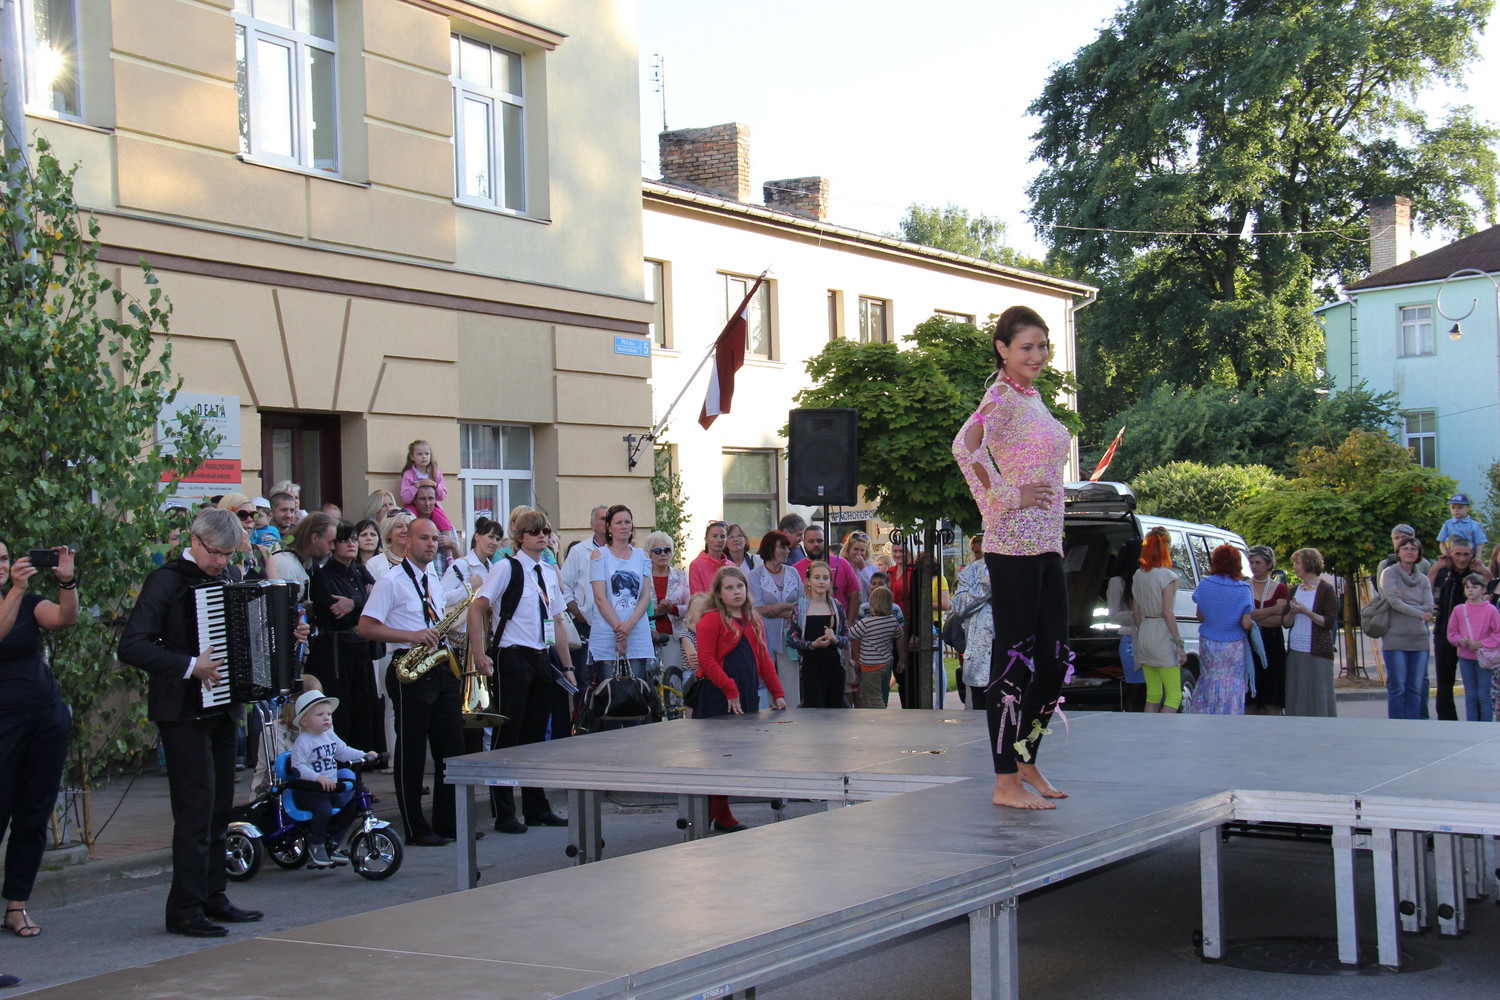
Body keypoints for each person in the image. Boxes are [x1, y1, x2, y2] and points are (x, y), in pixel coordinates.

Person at [117, 509, 273, 936]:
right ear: (195, 541)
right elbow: (132, 645)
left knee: (219, 807)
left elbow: (245, 639)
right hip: (181, 710)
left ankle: (212, 895)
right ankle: (184, 909)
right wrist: (190, 666)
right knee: (194, 812)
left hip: (222, 707)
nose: (222, 561)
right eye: (215, 553)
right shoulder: (167, 580)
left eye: (228, 554)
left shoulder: (229, 577)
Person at [951, 306, 1073, 810]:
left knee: (1055, 659)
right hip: (1012, 544)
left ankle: (1025, 757)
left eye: (1043, 346)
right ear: (1002, 349)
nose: (1037, 355)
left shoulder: (1033, 398)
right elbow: (965, 448)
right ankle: (1004, 781)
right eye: (1027, 347)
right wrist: (1007, 496)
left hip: (1046, 544)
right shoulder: (1000, 396)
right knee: (1015, 659)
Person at [468, 509, 577, 834]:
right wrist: (479, 653)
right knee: (507, 735)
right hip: (511, 656)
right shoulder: (506, 567)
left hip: (541, 657)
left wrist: (567, 666)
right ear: (520, 537)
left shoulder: (548, 572)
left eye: (545, 531)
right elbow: (477, 608)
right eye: (534, 531)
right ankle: (504, 812)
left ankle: (536, 807)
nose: (541, 536)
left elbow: (557, 621)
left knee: (535, 737)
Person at [357, 518, 462, 846]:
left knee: (450, 749)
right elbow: (366, 627)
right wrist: (412, 635)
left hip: (439, 665)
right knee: (412, 751)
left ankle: (447, 823)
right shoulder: (391, 581)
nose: (431, 544)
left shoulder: (432, 578)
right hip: (408, 665)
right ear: (407, 541)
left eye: (435, 539)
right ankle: (416, 829)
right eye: (424, 538)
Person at [0, 542, 78, 940]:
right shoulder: (16, 597)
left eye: (3, 558)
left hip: (45, 718)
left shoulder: (28, 603)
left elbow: (65, 618)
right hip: (4, 724)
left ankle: (17, 905)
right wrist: (15, 589)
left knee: (33, 816)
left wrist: (67, 583)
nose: (1, 566)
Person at [693, 567, 787, 832]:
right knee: (717, 756)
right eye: (729, 587)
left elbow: (764, 658)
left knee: (735, 756)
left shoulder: (753, 618)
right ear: (719, 593)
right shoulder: (711, 619)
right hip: (717, 695)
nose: (736, 592)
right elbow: (706, 660)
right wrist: (729, 688)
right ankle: (716, 811)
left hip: (746, 694)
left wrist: (777, 692)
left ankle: (718, 810)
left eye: (740, 586)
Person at [308, 520, 382, 753]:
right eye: (344, 540)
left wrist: (355, 602)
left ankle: (364, 755)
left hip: (361, 647)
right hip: (336, 651)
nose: (351, 544)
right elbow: (338, 613)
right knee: (342, 706)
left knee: (364, 705)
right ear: (333, 545)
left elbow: (380, 600)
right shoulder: (323, 576)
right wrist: (364, 602)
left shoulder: (359, 570)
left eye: (353, 539)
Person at [287, 690, 378, 868]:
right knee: (323, 810)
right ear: (304, 721)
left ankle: (333, 844)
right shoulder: (304, 741)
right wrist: (318, 778)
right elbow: (298, 767)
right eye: (320, 715)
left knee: (349, 808)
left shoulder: (329, 735)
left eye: (328, 714)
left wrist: (364, 755)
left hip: (329, 788)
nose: (326, 718)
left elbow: (343, 751)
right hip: (309, 790)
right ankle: (316, 844)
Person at [585, 505, 654, 686]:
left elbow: (645, 596)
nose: (624, 526)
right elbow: (600, 597)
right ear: (609, 527)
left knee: (636, 690)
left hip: (636, 632)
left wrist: (629, 625)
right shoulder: (599, 555)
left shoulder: (642, 556)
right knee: (609, 691)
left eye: (627, 522)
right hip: (607, 633)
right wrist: (620, 632)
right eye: (618, 523)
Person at [1428, 538, 1490, 721]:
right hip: (1444, 632)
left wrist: (1485, 572)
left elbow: (1491, 594)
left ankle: (1478, 721)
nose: (1462, 558)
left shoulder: (1476, 575)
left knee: (1477, 684)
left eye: (1466, 554)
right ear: (1450, 554)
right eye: (1457, 554)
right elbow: (1427, 592)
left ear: (1472, 555)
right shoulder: (1442, 572)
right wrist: (1435, 568)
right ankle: (1447, 721)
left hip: (1473, 638)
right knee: (1444, 680)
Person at [1190, 545, 1253, 715]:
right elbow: (1246, 624)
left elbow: (1200, 616)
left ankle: (1207, 712)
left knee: (1209, 679)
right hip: (1233, 644)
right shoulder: (1243, 589)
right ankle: (1229, 714)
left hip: (1208, 641)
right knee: (1232, 682)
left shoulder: (1205, 584)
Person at [1379, 537, 1435, 720]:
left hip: (1419, 639)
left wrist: (1406, 601)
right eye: (1405, 548)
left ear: (1418, 553)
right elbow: (1394, 602)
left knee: (1415, 687)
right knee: (1398, 687)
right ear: (1398, 552)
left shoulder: (1423, 579)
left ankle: (1413, 725)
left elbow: (1429, 607)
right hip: (1395, 638)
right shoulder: (1389, 573)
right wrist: (1418, 611)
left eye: (1413, 548)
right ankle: (1397, 725)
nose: (1410, 552)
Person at [1133, 527, 1187, 714]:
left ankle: (1149, 729)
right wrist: (1179, 644)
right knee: (1174, 695)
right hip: (1162, 633)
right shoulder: (1168, 576)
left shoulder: (1138, 575)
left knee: (1153, 694)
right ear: (1166, 547)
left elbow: (1135, 611)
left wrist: (1143, 630)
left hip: (1145, 630)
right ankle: (1163, 729)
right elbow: (1167, 612)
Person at [748, 529, 803, 707]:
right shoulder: (755, 575)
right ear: (770, 549)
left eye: (787, 547)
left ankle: (793, 716)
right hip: (765, 636)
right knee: (767, 679)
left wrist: (777, 609)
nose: (787, 551)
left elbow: (802, 605)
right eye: (782, 547)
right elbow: (759, 609)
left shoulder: (793, 573)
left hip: (790, 636)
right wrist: (787, 607)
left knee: (791, 683)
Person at [1283, 547, 1339, 718]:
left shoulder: (1326, 589)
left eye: (1297, 563)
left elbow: (1328, 622)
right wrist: (1292, 612)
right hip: (1296, 649)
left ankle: (1321, 725)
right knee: (1297, 690)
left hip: (1318, 650)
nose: (1294, 567)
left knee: (1318, 691)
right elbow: (1285, 623)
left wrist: (1305, 611)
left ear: (1309, 563)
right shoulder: (1294, 590)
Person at [787, 561, 849, 708]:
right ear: (808, 581)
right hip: (811, 667)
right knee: (814, 708)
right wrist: (812, 644)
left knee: (835, 709)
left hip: (835, 667)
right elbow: (790, 639)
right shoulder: (800, 607)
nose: (821, 581)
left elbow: (847, 638)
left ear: (830, 582)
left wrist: (835, 639)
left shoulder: (837, 606)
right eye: (817, 577)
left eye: (825, 578)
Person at [1446, 572, 1500, 722]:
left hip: (1484, 658)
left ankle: (1485, 726)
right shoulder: (1459, 610)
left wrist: (1482, 643)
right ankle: (1471, 726)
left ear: (1483, 589)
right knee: (1470, 694)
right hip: (1465, 657)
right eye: (1467, 587)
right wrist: (1460, 640)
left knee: (1484, 694)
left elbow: (1497, 634)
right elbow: (1451, 633)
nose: (1470, 590)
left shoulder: (1490, 610)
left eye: (1474, 587)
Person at [1245, 545, 1290, 716]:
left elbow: (1279, 620)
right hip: (1249, 643)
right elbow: (1244, 617)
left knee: (1273, 697)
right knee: (1250, 697)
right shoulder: (1244, 587)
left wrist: (1255, 616)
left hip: (1272, 643)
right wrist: (1272, 610)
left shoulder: (1280, 588)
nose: (1254, 566)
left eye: (1258, 562)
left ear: (1269, 564)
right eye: (1251, 562)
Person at [951, 535, 992, 711]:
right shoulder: (971, 571)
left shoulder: (1016, 568)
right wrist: (985, 587)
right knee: (980, 707)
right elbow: (959, 606)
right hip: (981, 653)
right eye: (977, 552)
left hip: (1011, 649)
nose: (981, 554)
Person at [849, 586, 906, 709]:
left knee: (874, 697)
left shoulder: (866, 622)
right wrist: (901, 659)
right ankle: (870, 715)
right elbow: (900, 635)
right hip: (885, 663)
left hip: (871, 665)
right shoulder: (892, 621)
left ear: (872, 605)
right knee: (876, 693)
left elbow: (850, 635)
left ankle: (880, 715)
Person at [1104, 539, 1143, 712]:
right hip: (1131, 638)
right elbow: (1114, 615)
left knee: (1152, 690)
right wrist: (1140, 616)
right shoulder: (1117, 581)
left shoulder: (1145, 578)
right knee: (1134, 689)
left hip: (1150, 638)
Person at [792, 525, 861, 618]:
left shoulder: (842, 563)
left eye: (819, 541)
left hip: (839, 622)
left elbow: (854, 593)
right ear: (804, 543)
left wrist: (850, 622)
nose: (816, 544)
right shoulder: (794, 570)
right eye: (811, 541)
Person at [562, 504, 609, 640]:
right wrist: (578, 613)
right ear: (592, 525)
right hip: (585, 624)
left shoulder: (620, 551)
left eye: (610, 519)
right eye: (603, 519)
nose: (607, 522)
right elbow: (564, 585)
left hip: (615, 623)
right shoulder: (578, 551)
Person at [645, 531, 690, 670]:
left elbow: (690, 607)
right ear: (649, 554)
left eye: (667, 550)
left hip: (673, 637)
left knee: (673, 677)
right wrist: (654, 612)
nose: (663, 554)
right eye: (657, 551)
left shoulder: (681, 576)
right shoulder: (642, 577)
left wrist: (672, 609)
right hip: (648, 636)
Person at [269, 511, 337, 598]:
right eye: (330, 542)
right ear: (314, 538)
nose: (333, 547)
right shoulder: (288, 566)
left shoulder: (303, 560)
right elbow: (281, 603)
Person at [399, 440, 456, 534]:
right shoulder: (408, 474)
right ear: (412, 457)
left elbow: (442, 495)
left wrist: (435, 485)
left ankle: (447, 538)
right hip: (412, 505)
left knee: (443, 520)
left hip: (433, 506)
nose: (424, 456)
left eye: (426, 454)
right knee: (408, 518)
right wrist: (416, 487)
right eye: (419, 454)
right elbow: (405, 498)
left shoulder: (436, 473)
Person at [405, 480, 461, 561]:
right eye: (422, 499)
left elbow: (461, 562)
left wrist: (453, 545)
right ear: (414, 501)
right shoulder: (408, 526)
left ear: (435, 500)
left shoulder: (447, 526)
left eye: (431, 499)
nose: (427, 503)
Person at [689, 520, 734, 595]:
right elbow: (697, 596)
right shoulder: (696, 565)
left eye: (722, 537)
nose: (719, 540)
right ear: (706, 539)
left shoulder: (732, 566)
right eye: (714, 536)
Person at [1437, 493, 1487, 558]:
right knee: (1439, 564)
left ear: (1468, 508)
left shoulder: (1474, 525)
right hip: (1451, 557)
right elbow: (1442, 543)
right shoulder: (1447, 524)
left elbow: (1479, 543)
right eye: (1453, 507)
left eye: (1460, 507)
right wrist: (1445, 554)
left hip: (1469, 557)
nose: (1456, 510)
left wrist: (1477, 557)